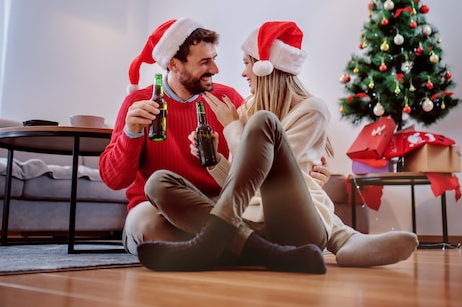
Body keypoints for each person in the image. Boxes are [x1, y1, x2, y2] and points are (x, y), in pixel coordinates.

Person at [137, 21, 419, 273]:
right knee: (158, 183)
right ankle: (264, 253)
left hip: (291, 223)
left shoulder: (311, 111)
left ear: (266, 68)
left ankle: (212, 244)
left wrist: (232, 128)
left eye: (248, 63)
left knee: (264, 122)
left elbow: (268, 178)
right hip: (248, 223)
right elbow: (241, 187)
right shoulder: (246, 110)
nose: (243, 72)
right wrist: (215, 162)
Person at [99, 18, 332, 256]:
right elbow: (114, 179)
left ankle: (231, 251)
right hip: (160, 207)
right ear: (174, 65)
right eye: (204, 62)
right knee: (148, 224)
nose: (215, 69)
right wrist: (131, 133)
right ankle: (251, 252)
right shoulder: (138, 104)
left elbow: (263, 153)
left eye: (214, 59)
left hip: (215, 207)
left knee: (215, 226)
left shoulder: (227, 100)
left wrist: (303, 174)